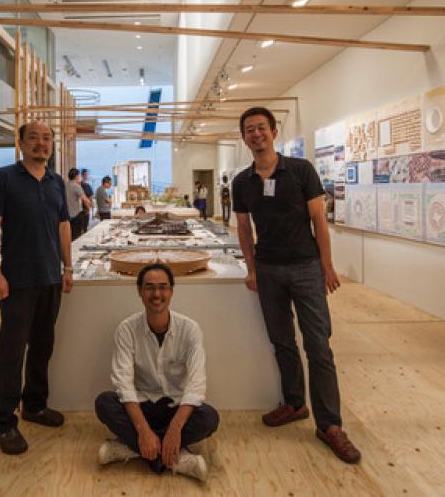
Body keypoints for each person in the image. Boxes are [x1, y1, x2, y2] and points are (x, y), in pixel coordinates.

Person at [232, 106, 361, 464]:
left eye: (261, 127)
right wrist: (252, 269)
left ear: (273, 131)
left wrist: (327, 266)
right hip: (268, 270)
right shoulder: (242, 182)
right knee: (282, 342)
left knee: (318, 346)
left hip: (305, 268)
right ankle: (294, 403)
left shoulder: (301, 170)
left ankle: (330, 425)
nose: (256, 134)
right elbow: (244, 229)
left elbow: (319, 220)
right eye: (249, 129)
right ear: (244, 138)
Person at [0, 121, 74, 455]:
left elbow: (63, 226)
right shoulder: (4, 178)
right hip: (17, 280)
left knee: (42, 345)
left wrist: (68, 267)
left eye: (47, 138)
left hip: (50, 278)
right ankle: (4, 422)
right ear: (21, 143)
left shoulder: (55, 182)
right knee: (11, 351)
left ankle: (34, 405)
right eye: (33, 137)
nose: (41, 143)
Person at [94, 263, 218, 483]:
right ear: (139, 291)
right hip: (142, 405)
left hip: (175, 406)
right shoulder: (126, 329)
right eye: (149, 287)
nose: (157, 294)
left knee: (209, 417)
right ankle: (176, 457)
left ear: (171, 291)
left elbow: (196, 384)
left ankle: (130, 449)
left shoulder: (190, 329)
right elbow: (124, 384)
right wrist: (143, 430)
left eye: (163, 287)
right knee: (104, 402)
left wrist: (175, 429)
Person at [66, 168, 91, 241]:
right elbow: (85, 199)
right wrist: (89, 205)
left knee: (70, 236)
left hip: (67, 215)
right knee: (77, 236)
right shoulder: (76, 186)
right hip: (77, 215)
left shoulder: (65, 185)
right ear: (76, 176)